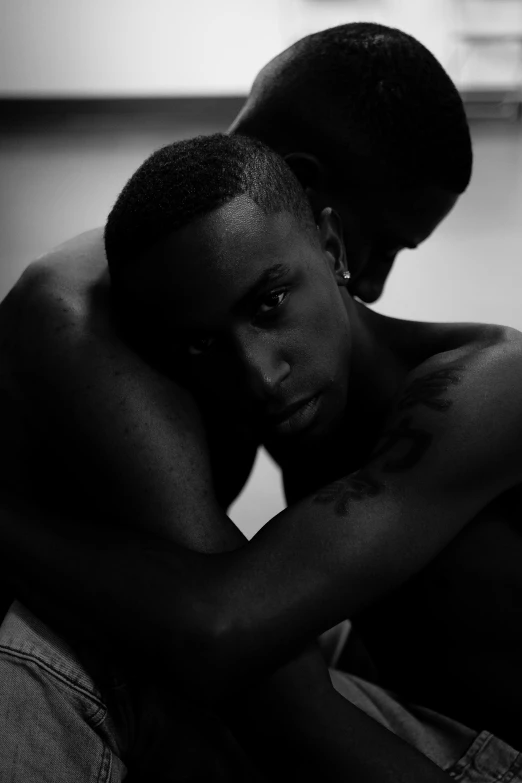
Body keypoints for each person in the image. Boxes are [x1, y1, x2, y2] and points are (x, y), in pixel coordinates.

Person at [0, 21, 499, 782]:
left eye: (266, 305)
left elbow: (223, 634)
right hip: (382, 705)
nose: (371, 284)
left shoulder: (476, 380)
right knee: (65, 648)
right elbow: (234, 642)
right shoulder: (104, 315)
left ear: (321, 235)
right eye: (387, 243)